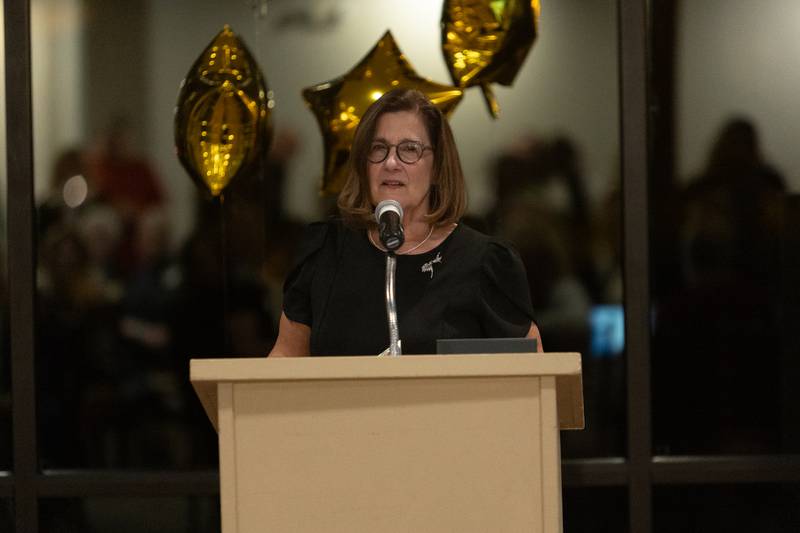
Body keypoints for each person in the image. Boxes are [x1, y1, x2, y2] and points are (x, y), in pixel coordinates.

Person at [269, 88, 542, 356]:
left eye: (410, 149)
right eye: (378, 148)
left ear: (437, 167)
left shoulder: (484, 262)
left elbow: (531, 370)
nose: (390, 163)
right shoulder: (326, 251)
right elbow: (285, 359)